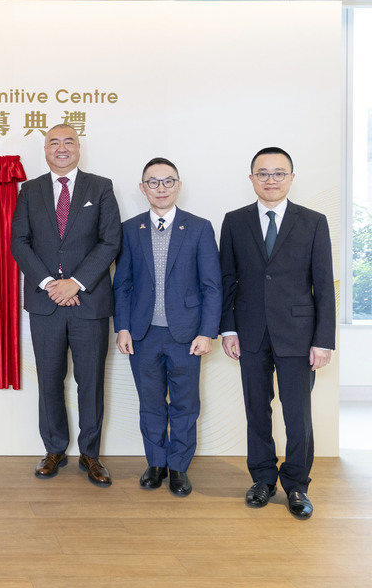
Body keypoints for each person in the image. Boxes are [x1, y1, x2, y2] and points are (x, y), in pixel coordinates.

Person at [220, 147, 335, 520]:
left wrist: (323, 340)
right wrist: (229, 328)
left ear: (291, 177)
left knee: (297, 414)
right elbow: (228, 280)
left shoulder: (313, 221)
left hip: (299, 334)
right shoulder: (234, 221)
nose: (271, 180)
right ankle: (263, 479)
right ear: (251, 178)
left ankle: (297, 485)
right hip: (250, 331)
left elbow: (323, 285)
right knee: (257, 409)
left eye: (278, 173)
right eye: (263, 173)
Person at [10, 123, 122, 486]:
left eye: (68, 141)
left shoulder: (100, 187)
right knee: (49, 380)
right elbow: (20, 242)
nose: (61, 148)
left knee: (90, 382)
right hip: (46, 305)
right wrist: (49, 285)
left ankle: (90, 454)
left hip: (88, 303)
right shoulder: (30, 190)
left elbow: (110, 242)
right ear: (45, 150)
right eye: (53, 142)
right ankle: (55, 449)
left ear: (79, 148)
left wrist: (74, 283)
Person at [113, 157, 221, 497]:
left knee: (186, 404)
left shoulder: (200, 227)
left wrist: (207, 332)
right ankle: (155, 463)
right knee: (151, 402)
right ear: (142, 188)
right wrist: (123, 327)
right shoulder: (130, 229)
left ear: (179, 185)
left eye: (168, 181)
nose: (161, 188)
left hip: (187, 334)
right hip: (143, 334)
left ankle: (178, 467)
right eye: (153, 182)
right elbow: (123, 284)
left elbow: (211, 286)